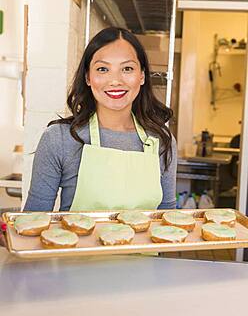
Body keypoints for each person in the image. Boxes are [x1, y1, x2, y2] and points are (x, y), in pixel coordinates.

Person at [22, 26, 177, 212]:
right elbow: (33, 220)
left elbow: (167, 218)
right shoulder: (59, 139)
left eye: (127, 68)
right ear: (88, 77)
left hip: (143, 243)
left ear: (142, 76)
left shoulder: (162, 141)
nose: (115, 80)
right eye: (103, 69)